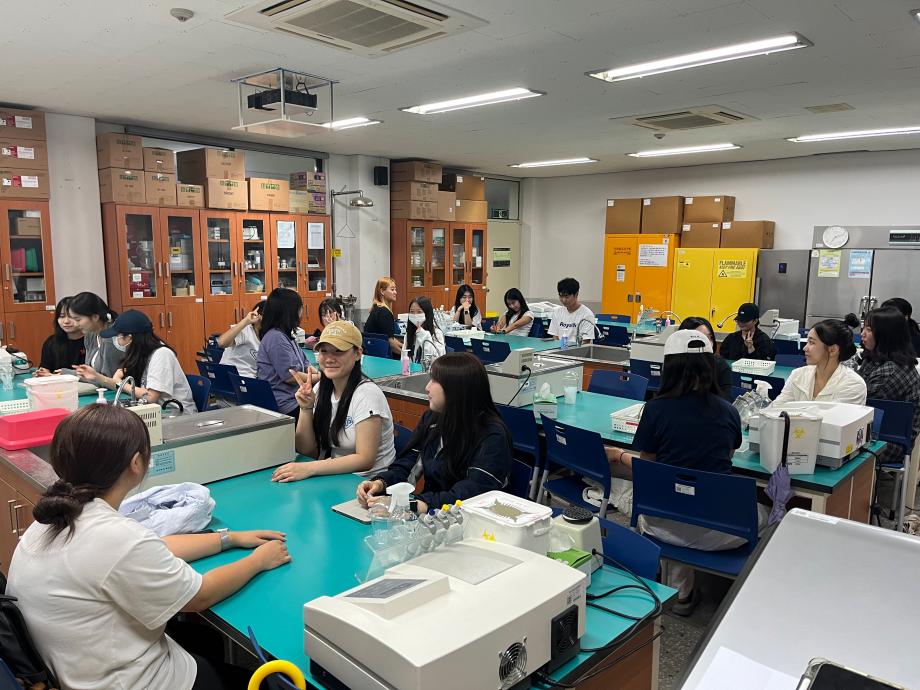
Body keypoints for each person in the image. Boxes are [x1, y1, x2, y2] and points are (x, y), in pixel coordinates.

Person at [7, 404, 291, 690]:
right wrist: (259, 560)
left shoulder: (54, 517)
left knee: (206, 639)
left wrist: (228, 539)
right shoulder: (117, 538)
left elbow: (153, 548)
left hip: (76, 668)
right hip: (129, 682)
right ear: (136, 463)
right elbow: (199, 596)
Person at [604, 330, 748, 616]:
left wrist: (619, 456)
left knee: (675, 499)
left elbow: (650, 470)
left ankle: (680, 591)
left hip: (660, 524)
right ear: (710, 366)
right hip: (719, 530)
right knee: (770, 514)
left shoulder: (655, 410)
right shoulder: (728, 412)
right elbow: (725, 460)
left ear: (668, 367)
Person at [356, 352, 513, 512]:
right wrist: (380, 483)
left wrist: (413, 505)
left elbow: (471, 494)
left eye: (435, 381)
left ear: (456, 388)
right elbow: (408, 464)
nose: (427, 387)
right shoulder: (432, 419)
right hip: (430, 512)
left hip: (468, 518)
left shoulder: (492, 435)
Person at [271, 322, 396, 482]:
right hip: (335, 476)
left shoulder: (367, 394)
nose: (329, 359)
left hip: (369, 484)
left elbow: (365, 459)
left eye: (338, 351)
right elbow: (306, 450)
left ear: (358, 354)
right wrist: (306, 408)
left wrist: (310, 468)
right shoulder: (320, 389)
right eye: (324, 351)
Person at [75, 310, 197, 413]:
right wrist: (96, 377)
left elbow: (150, 397)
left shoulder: (161, 354)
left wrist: (120, 383)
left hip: (176, 414)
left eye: (118, 337)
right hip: (154, 410)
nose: (116, 341)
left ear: (130, 338)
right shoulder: (139, 353)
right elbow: (123, 384)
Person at [857, 307, 920, 467]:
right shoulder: (876, 359)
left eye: (869, 330)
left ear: (886, 335)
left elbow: (858, 406)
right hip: (875, 432)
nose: (862, 333)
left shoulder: (890, 371)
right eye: (863, 328)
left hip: (891, 441)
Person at [773, 320, 866, 404]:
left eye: (812, 342)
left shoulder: (853, 385)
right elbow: (776, 408)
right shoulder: (798, 375)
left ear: (833, 350)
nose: (805, 348)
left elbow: (832, 417)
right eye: (807, 342)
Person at [256, 288, 308, 418]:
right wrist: (319, 378)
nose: (301, 311)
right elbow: (290, 376)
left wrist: (313, 372)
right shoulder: (276, 338)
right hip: (286, 405)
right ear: (290, 311)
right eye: (299, 308)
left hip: (294, 398)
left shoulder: (286, 335)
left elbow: (305, 363)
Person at [68, 291, 123, 379]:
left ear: (95, 317)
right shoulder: (90, 334)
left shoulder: (112, 339)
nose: (75, 324)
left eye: (78, 320)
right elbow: (88, 372)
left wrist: (68, 374)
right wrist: (64, 374)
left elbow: (109, 380)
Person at [679, 316, 732, 400]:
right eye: (701, 338)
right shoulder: (675, 365)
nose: (708, 342)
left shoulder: (720, 366)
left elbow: (726, 400)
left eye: (710, 337)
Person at [36, 296, 86, 376]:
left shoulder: (91, 341)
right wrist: (42, 373)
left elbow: (92, 374)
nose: (66, 321)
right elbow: (45, 367)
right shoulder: (51, 342)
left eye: (71, 317)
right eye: (62, 316)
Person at [217, 302, 264, 377]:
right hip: (231, 377)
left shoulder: (269, 336)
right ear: (258, 316)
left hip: (249, 378)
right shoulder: (246, 330)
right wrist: (246, 321)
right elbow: (221, 343)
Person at [548, 277, 595, 344]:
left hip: (578, 349)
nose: (564, 300)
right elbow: (555, 337)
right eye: (561, 296)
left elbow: (586, 342)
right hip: (559, 348)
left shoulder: (587, 315)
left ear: (576, 294)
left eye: (567, 297)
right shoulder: (557, 312)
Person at [363, 277, 401, 356]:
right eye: (392, 289)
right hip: (382, 356)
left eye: (395, 289)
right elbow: (391, 343)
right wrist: (408, 356)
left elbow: (390, 338)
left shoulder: (377, 309)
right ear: (382, 291)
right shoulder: (384, 312)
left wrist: (403, 346)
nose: (395, 292)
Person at [404, 296, 445, 364]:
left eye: (419, 312)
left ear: (427, 313)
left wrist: (423, 335)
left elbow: (437, 361)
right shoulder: (409, 333)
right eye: (412, 312)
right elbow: (404, 357)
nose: (415, 315)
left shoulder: (437, 333)